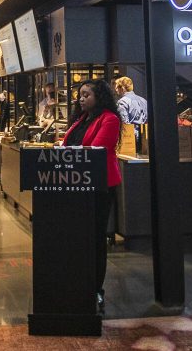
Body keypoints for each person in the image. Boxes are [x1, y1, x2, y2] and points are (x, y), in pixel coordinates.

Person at [59, 79, 121, 313]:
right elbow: (68, 146)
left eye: (86, 95)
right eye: (80, 95)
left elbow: (95, 153)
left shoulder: (110, 119)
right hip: (76, 187)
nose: (81, 99)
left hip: (98, 187)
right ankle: (78, 285)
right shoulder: (81, 120)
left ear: (99, 97)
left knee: (95, 240)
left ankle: (96, 289)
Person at [114, 76, 148, 142]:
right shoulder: (143, 100)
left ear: (122, 88)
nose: (116, 90)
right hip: (145, 137)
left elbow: (124, 124)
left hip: (131, 139)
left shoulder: (122, 102)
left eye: (117, 87)